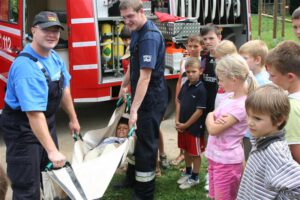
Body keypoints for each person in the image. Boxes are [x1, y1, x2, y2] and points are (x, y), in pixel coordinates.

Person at [0, 11, 80, 199]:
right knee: (27, 188)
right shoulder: (26, 67)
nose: (52, 35)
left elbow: (64, 89)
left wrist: (73, 119)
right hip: (23, 131)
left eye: (55, 30)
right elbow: (34, 114)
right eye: (46, 30)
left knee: (49, 176)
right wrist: (52, 151)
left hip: (46, 124)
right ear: (34, 30)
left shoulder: (54, 57)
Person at [119, 1, 168, 199]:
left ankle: (144, 192)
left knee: (146, 144)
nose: (127, 21)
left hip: (151, 99)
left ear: (141, 12)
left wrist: (134, 111)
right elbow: (133, 61)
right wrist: (124, 84)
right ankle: (131, 179)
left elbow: (145, 77)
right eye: (123, 17)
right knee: (136, 139)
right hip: (141, 97)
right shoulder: (137, 30)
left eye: (130, 16)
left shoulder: (149, 37)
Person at [205, 54, 257, 200]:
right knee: (214, 196)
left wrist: (209, 116)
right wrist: (211, 117)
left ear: (234, 80)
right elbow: (213, 118)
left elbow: (213, 129)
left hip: (227, 163)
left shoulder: (241, 106)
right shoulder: (229, 97)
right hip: (216, 158)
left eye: (221, 79)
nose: (219, 83)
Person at [237, 84, 300, 199]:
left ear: (279, 120)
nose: (249, 122)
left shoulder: (275, 151)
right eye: (248, 116)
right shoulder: (261, 140)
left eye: (257, 118)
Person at [266, 41, 300, 164]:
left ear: (290, 77)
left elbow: (296, 154)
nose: (269, 79)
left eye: (273, 76)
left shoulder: (290, 108)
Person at [172, 35, 204, 167]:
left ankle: (194, 156)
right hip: (184, 96)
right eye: (189, 46)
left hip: (196, 99)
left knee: (193, 132)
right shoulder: (184, 61)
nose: (192, 49)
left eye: (195, 46)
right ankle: (182, 154)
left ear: (201, 47)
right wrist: (177, 97)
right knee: (181, 128)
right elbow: (180, 80)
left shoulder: (203, 62)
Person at [176, 58, 207, 189]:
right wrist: (177, 120)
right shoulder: (185, 85)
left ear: (200, 71)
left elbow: (199, 112)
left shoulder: (201, 89)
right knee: (186, 151)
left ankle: (195, 177)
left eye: (193, 71)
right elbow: (178, 101)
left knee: (194, 153)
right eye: (188, 72)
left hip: (193, 128)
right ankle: (188, 172)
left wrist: (186, 125)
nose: (190, 74)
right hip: (182, 126)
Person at [239, 39, 270, 162]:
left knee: (250, 163)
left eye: (244, 59)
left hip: (254, 134)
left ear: (257, 60)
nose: (241, 62)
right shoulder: (249, 78)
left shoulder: (264, 82)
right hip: (247, 130)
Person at [200, 23, 222, 192]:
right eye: (205, 39)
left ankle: (222, 175)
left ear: (219, 38)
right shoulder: (204, 57)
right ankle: (211, 172)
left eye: (211, 38)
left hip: (222, 106)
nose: (208, 42)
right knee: (210, 140)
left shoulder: (226, 58)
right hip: (207, 105)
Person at [212, 40, 237, 109]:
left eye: (219, 58)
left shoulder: (234, 76)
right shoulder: (223, 72)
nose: (216, 61)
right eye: (215, 58)